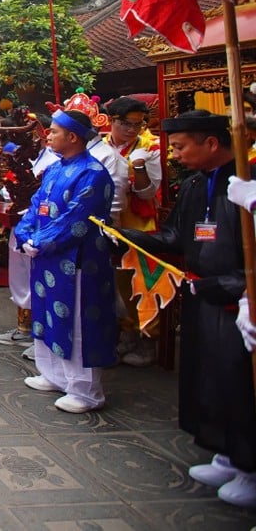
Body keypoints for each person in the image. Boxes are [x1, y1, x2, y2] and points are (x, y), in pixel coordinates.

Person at [121, 111, 255, 509]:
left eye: (180, 147)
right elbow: (176, 235)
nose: (174, 156)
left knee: (239, 383)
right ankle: (225, 454)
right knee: (205, 375)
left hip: (239, 302)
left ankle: (250, 466)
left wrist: (229, 284)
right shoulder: (196, 184)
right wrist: (127, 238)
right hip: (200, 294)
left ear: (211, 143)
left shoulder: (247, 185)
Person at [12, 109, 116, 414]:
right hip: (46, 256)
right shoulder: (55, 169)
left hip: (77, 259)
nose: (49, 135)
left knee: (77, 321)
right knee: (46, 313)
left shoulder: (93, 173)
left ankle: (85, 391)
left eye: (54, 131)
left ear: (73, 137)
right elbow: (35, 206)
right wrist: (25, 234)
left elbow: (77, 219)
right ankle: (54, 374)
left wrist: (40, 242)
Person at [99, 96, 164, 368]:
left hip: (139, 223)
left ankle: (149, 336)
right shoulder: (100, 146)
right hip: (108, 222)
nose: (132, 130)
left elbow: (148, 191)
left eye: (138, 124)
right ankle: (125, 332)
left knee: (143, 281)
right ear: (111, 120)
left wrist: (137, 167)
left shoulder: (151, 147)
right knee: (117, 282)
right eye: (126, 123)